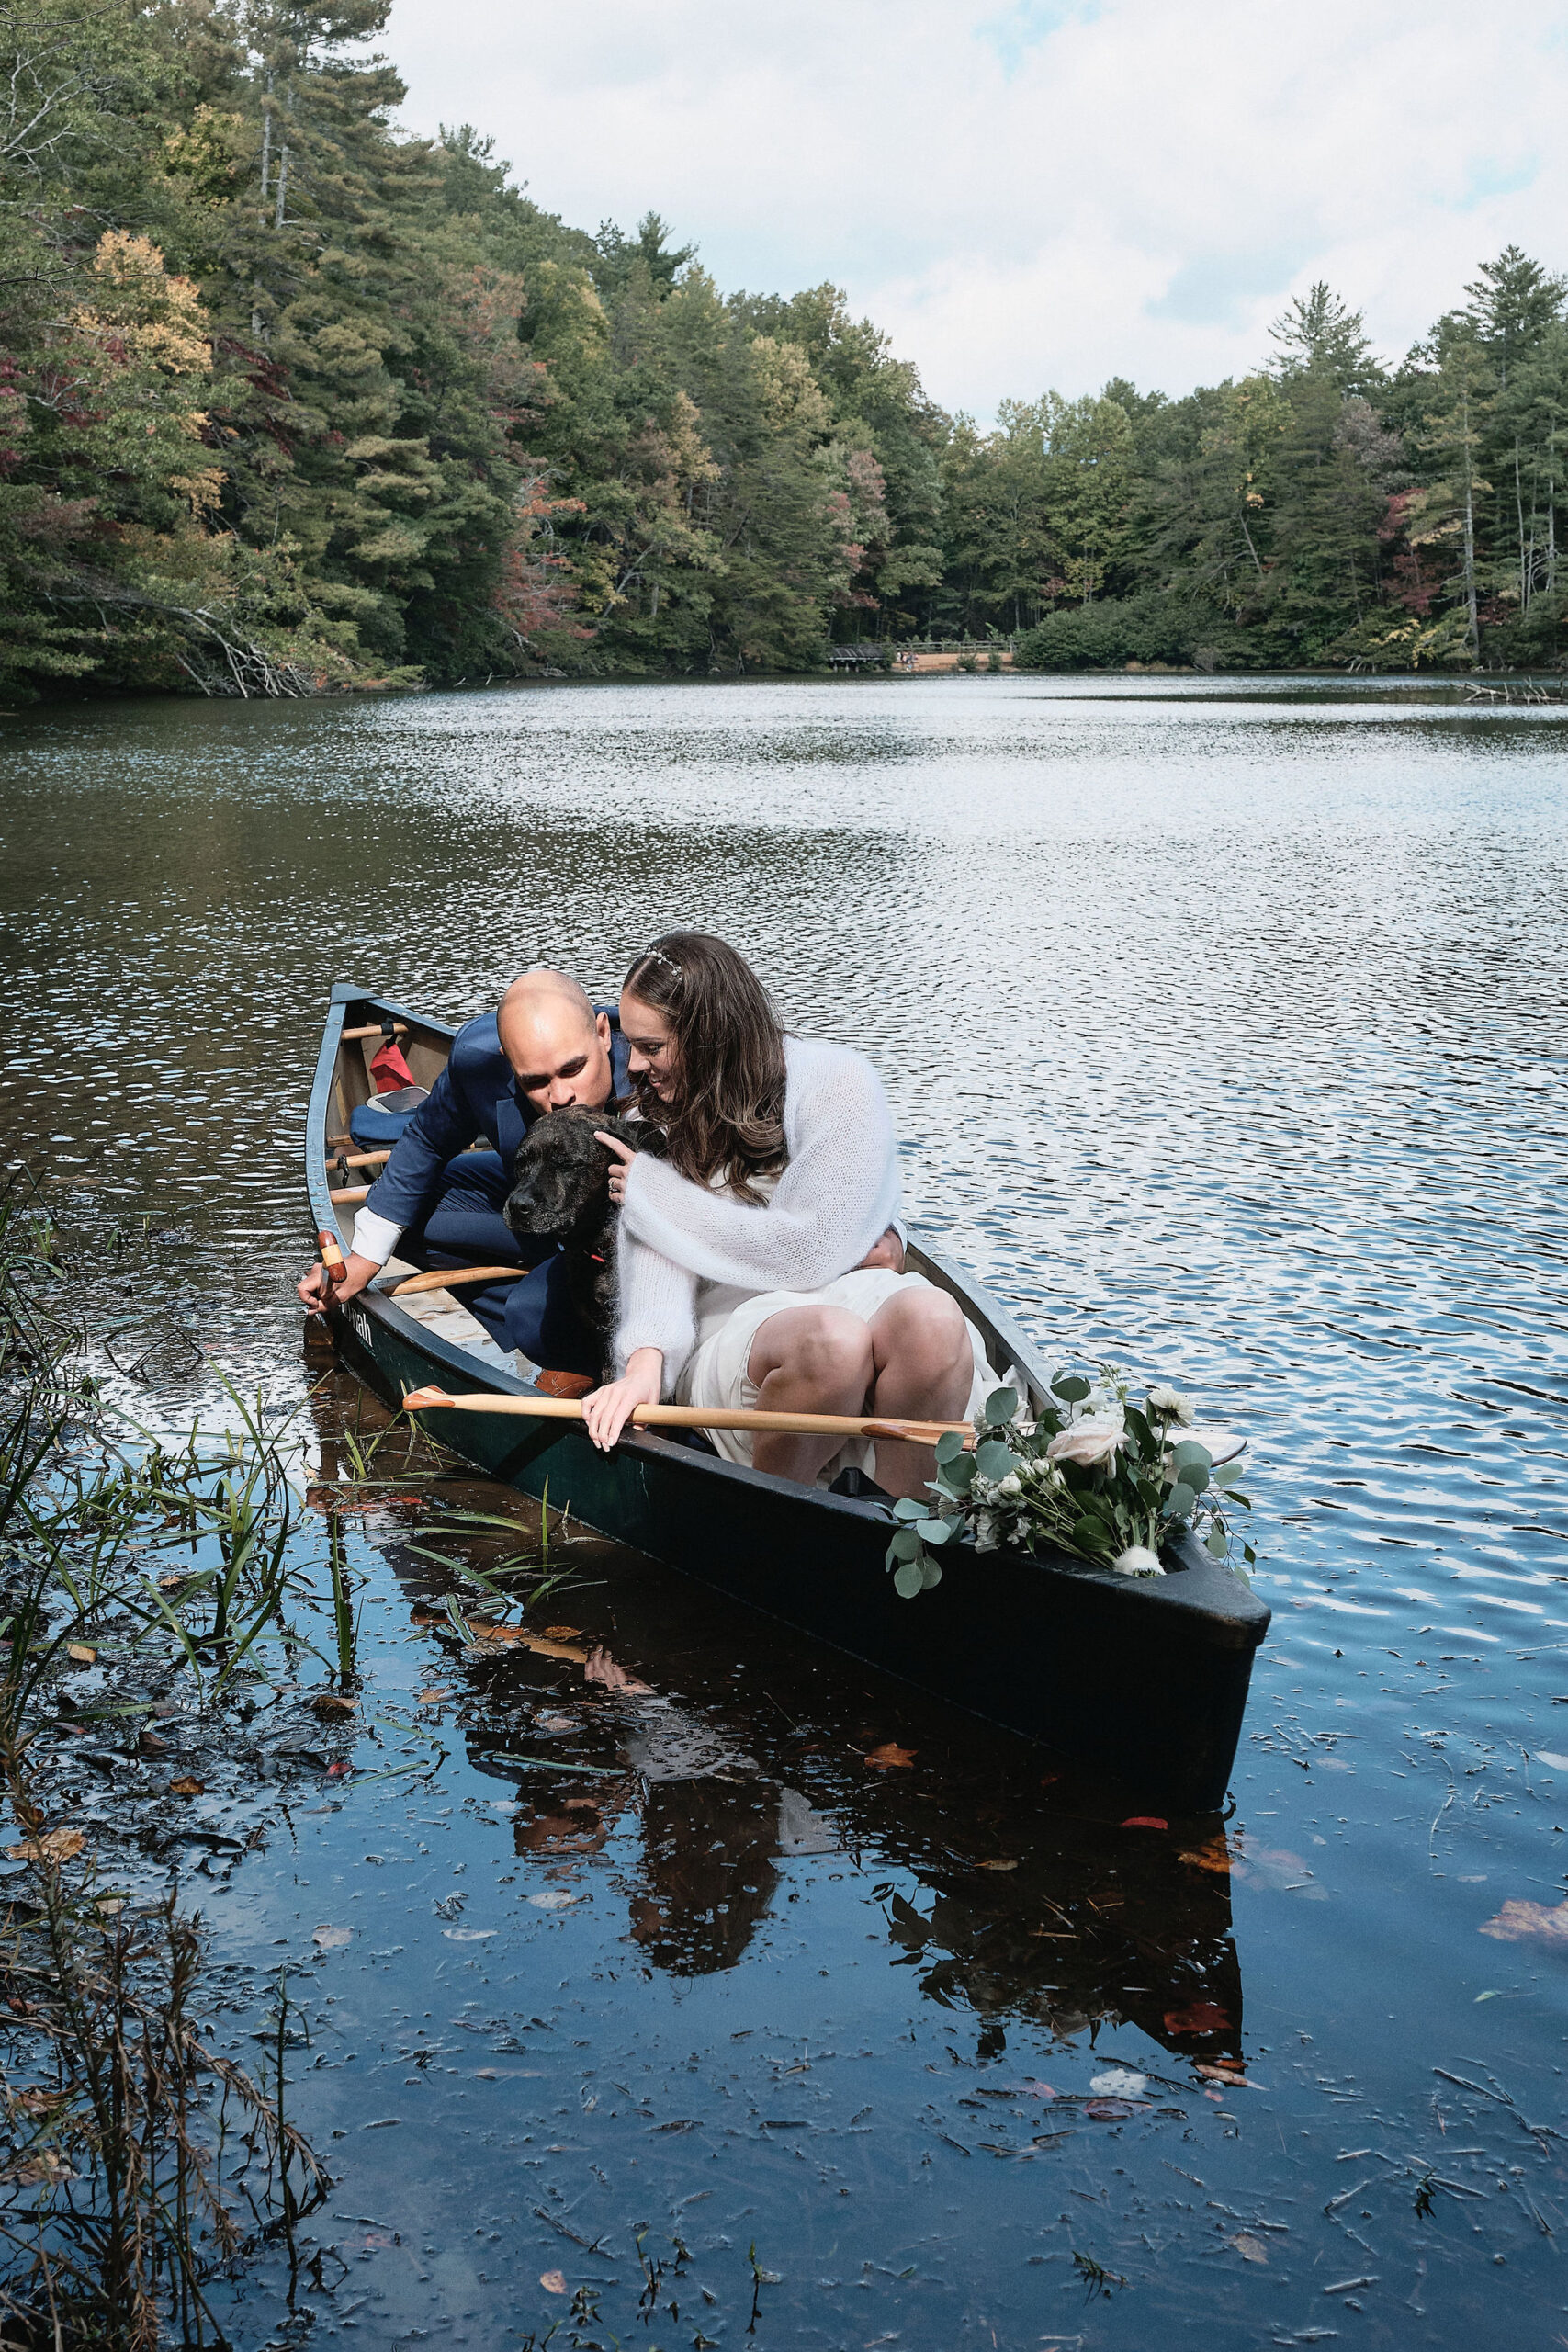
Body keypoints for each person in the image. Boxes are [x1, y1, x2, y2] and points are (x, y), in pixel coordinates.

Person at [580, 933, 992, 1499]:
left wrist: (662, 1200)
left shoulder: (835, 1084)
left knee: (934, 1319)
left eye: (651, 1046)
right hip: (735, 1320)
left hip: (836, 1287)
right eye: (630, 1043)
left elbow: (812, 1253)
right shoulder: (655, 1110)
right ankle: (778, 1518)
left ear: (708, 1038)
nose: (633, 1064)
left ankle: (905, 1527)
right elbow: (655, 1248)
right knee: (832, 1342)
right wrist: (645, 1361)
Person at [298, 969, 630, 1380]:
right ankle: (568, 1339)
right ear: (509, 1064)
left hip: (632, 1227)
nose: (560, 1096)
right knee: (402, 1213)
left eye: (573, 1069)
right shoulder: (477, 1059)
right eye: (535, 1082)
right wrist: (364, 1258)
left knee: (537, 1310)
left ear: (602, 1033)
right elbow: (428, 1141)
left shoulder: (651, 1059)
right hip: (543, 1196)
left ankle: (570, 1325)